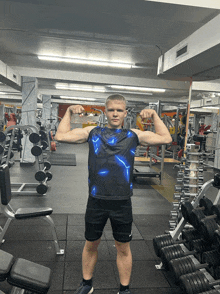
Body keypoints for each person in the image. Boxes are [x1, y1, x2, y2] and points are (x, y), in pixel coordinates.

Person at [55, 94, 172, 294]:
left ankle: (124, 289)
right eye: (111, 110)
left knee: (123, 248)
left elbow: (166, 138)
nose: (115, 113)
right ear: (106, 111)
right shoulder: (93, 132)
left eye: (119, 110)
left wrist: (153, 114)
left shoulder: (133, 135)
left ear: (125, 113)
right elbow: (60, 136)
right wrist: (67, 112)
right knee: (91, 244)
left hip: (122, 202)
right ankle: (86, 284)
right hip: (96, 201)